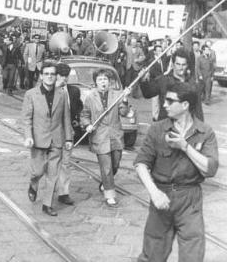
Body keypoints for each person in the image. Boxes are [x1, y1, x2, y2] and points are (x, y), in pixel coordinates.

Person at [135, 82, 219, 262]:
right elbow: (141, 164)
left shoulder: (204, 132)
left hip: (190, 200)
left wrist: (185, 147)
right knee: (152, 255)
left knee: (193, 255)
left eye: (170, 101)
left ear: (185, 105)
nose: (164, 104)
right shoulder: (158, 129)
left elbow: (210, 168)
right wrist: (154, 193)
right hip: (162, 196)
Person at [22, 61, 73, 216]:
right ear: (41, 76)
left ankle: (47, 204)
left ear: (56, 76)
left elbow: (66, 118)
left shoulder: (62, 94)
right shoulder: (31, 94)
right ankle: (33, 184)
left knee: (53, 174)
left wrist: (69, 139)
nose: (50, 77)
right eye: (46, 74)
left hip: (56, 140)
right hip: (38, 139)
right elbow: (26, 118)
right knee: (37, 172)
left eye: (52, 74)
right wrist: (28, 136)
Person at [81, 68, 130, 207]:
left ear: (109, 82)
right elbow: (84, 115)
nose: (103, 82)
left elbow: (124, 113)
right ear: (95, 82)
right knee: (106, 167)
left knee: (115, 164)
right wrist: (87, 125)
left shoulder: (117, 95)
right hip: (100, 136)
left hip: (115, 135)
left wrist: (125, 99)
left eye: (105, 79)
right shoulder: (90, 97)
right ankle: (109, 194)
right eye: (100, 79)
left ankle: (105, 182)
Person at [140, 48, 204, 122]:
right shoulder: (163, 80)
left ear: (187, 65)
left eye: (183, 65)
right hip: (165, 124)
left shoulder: (192, 85)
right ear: (173, 64)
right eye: (178, 64)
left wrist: (200, 128)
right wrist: (143, 80)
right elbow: (147, 93)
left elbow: (198, 110)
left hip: (184, 126)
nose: (181, 68)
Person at [55, 62, 83, 206]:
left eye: (66, 76)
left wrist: (76, 120)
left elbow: (78, 106)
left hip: (67, 132)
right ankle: (46, 184)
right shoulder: (48, 90)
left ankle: (63, 193)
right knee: (50, 163)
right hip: (51, 133)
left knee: (66, 163)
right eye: (61, 76)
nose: (64, 79)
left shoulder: (74, 91)